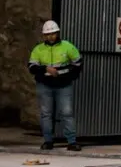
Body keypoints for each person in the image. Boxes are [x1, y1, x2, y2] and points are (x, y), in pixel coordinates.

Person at [27, 19, 83, 152]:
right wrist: (46, 69)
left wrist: (68, 76)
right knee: (46, 114)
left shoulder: (67, 46)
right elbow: (31, 67)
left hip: (64, 85)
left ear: (57, 33)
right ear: (43, 36)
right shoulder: (38, 50)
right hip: (44, 85)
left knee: (66, 113)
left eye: (52, 33)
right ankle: (48, 141)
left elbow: (78, 63)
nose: (50, 36)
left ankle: (72, 141)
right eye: (47, 34)